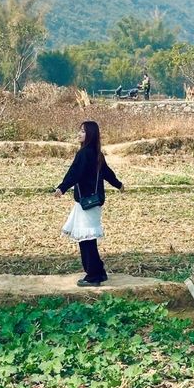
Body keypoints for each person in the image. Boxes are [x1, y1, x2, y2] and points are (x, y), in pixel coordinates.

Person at [54, 120, 124, 286]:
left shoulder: (84, 153)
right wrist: (118, 184)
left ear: (90, 135)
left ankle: (93, 276)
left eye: (83, 131)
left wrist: (62, 188)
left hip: (86, 203)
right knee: (88, 238)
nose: (79, 134)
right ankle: (99, 271)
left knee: (86, 240)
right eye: (80, 131)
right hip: (93, 202)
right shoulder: (96, 153)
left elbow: (74, 173)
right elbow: (108, 173)